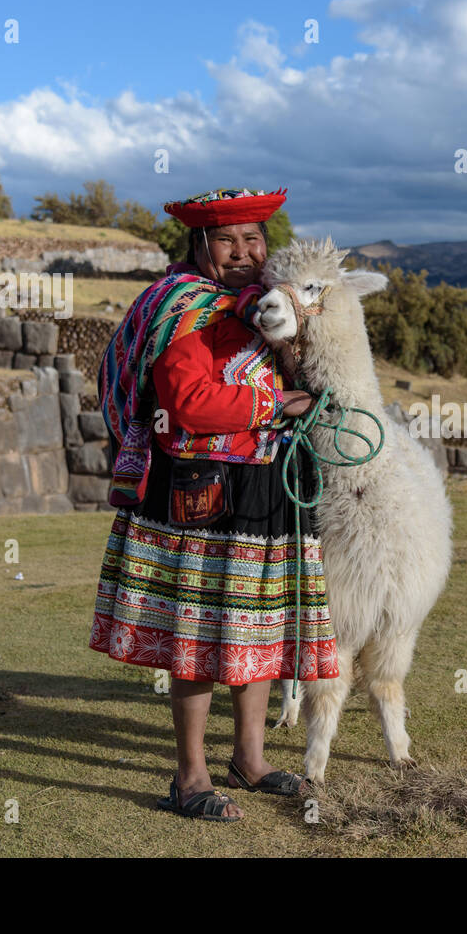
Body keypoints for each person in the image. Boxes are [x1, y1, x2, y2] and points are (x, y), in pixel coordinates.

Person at [89, 187, 337, 821]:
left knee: (254, 625)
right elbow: (184, 404)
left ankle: (249, 758)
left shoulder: (266, 306)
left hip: (265, 485)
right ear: (200, 245)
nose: (242, 253)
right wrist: (274, 405)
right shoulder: (180, 308)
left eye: (253, 240)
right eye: (227, 242)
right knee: (198, 636)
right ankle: (190, 775)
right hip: (201, 487)